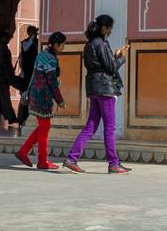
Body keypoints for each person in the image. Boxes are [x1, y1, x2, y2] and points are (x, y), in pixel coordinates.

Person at [64, 15, 128, 174]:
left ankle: (72, 158)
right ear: (104, 28)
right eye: (110, 28)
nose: (111, 31)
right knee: (109, 128)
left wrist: (114, 57)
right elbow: (111, 68)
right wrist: (121, 58)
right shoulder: (101, 44)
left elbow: (101, 65)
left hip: (93, 88)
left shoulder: (89, 45)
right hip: (105, 89)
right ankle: (113, 163)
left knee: (91, 126)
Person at [16, 31, 68, 169]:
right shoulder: (50, 59)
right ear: (56, 45)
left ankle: (24, 152)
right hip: (43, 97)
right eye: (62, 45)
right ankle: (42, 160)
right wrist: (60, 99)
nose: (63, 48)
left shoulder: (42, 55)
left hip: (35, 94)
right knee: (45, 127)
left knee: (43, 126)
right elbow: (51, 81)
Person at [15, 25, 40, 126]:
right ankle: (22, 118)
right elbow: (25, 49)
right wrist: (32, 39)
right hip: (27, 74)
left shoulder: (37, 43)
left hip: (35, 73)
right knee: (25, 96)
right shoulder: (26, 43)